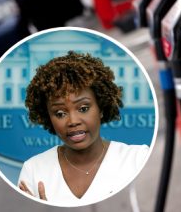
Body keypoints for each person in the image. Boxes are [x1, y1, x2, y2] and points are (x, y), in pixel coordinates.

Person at [18, 51, 149, 206]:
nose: (73, 121)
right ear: (48, 118)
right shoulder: (33, 171)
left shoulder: (137, 159)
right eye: (60, 113)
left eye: (83, 108)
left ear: (101, 108)